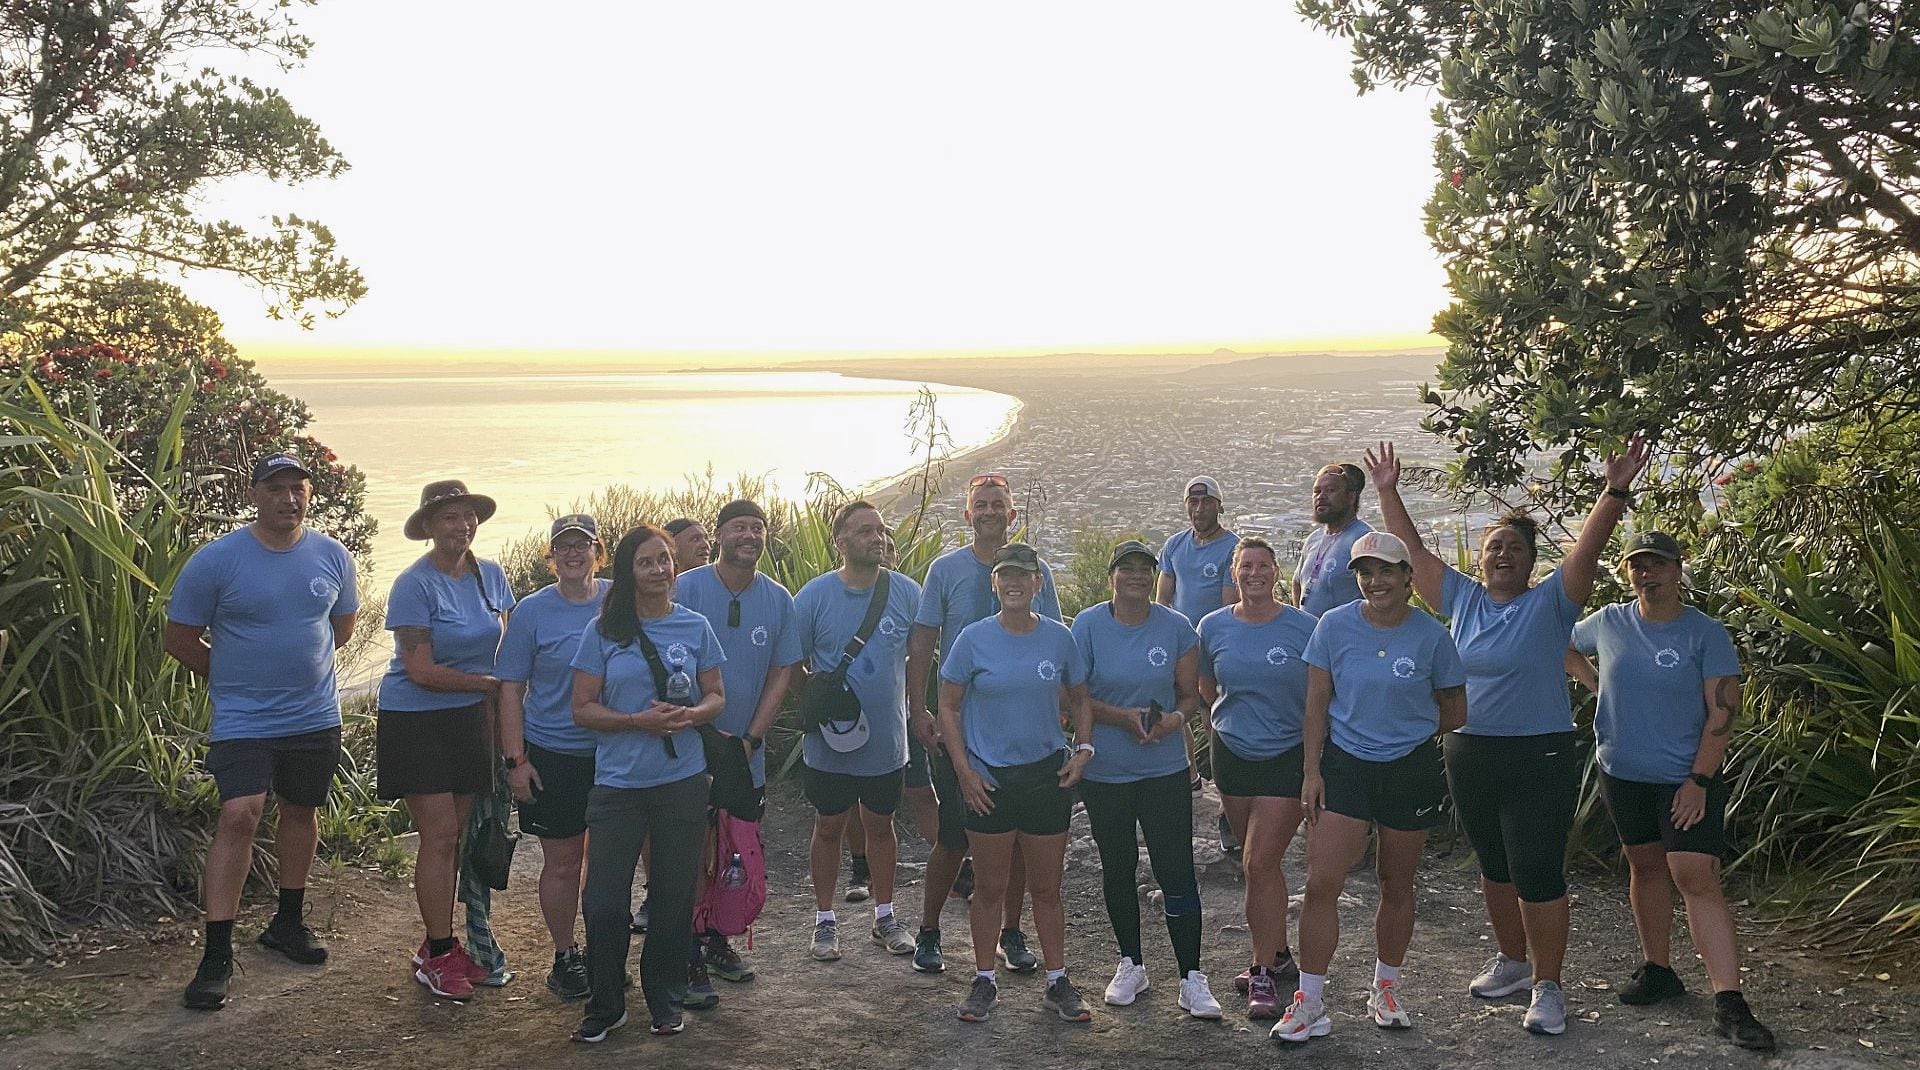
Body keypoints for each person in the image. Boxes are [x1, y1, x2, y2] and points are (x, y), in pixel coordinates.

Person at [1364, 438, 1648, 1035]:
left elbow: (1590, 549)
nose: (1500, 556)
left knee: (1537, 869)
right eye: (1493, 547)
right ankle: (1514, 962)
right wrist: (1388, 491)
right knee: (1494, 866)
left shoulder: (1552, 603)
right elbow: (1410, 553)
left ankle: (1549, 986)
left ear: (1530, 561)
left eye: (1513, 549)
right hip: (1468, 748)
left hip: (1536, 752)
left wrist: (1614, 490)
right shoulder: (1462, 599)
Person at [1566, 531, 1774, 1052]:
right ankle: (1659, 969)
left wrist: (1699, 782)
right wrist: (1598, 685)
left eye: (1657, 564)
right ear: (1626, 572)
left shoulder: (1705, 633)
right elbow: (1559, 641)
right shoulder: (1610, 622)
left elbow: (1723, 713)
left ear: (1678, 570)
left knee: (1695, 875)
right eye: (1637, 565)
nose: (1646, 574)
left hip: (1686, 777)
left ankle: (1729, 1000)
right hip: (1621, 772)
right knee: (1646, 867)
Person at [166, 454, 359, 1011]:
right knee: (240, 813)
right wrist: (233, 677)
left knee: (301, 811)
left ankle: (288, 923)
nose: (288, 499)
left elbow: (339, 629)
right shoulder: (218, 560)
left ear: (309, 494)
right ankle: (217, 953)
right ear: (255, 494)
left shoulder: (332, 555)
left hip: (314, 715)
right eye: (276, 489)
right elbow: (179, 638)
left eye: (298, 489)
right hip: (243, 717)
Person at [1275, 531, 1467, 1043]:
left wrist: (1407, 735)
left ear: (1408, 578)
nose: (1374, 581)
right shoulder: (1334, 627)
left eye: (1385, 571)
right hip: (1345, 767)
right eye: (1365, 572)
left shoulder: (1432, 636)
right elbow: (1316, 704)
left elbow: (1456, 709)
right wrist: (1311, 772)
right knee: (1321, 885)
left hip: (1409, 769)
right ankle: (1309, 1000)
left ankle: (1385, 987)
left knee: (1396, 883)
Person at [569, 524, 727, 1041]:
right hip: (619, 785)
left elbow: (716, 695)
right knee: (604, 900)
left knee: (672, 895)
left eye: (664, 559)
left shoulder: (695, 626)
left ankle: (664, 996)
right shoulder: (603, 632)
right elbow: (583, 708)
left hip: (681, 781)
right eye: (646, 562)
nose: (658, 569)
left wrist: (690, 717)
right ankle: (607, 1001)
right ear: (629, 572)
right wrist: (639, 722)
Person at [903, 472, 1059, 973]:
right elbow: (924, 642)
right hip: (960, 730)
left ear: (1012, 515)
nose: (990, 512)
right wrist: (917, 708)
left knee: (1012, 842)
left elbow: (1053, 636)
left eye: (999, 505)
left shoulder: (1037, 571)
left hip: (1018, 731)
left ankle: (1010, 933)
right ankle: (930, 930)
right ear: (967, 516)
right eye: (981, 505)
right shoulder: (945, 571)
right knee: (953, 836)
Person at [940, 543, 1096, 1024]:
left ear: (1038, 583)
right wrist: (964, 771)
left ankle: (1057, 982)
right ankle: (984, 979)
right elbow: (947, 705)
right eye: (1005, 575)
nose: (1014, 583)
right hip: (990, 779)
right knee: (990, 887)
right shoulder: (972, 639)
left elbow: (1081, 699)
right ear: (995, 583)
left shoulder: (1059, 638)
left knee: (1047, 889)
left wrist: (1084, 750)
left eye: (1023, 576)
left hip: (1045, 776)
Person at [377, 479, 517, 1001]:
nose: (461, 526)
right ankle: (439, 954)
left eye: (467, 516)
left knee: (456, 832)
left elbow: (504, 645)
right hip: (417, 721)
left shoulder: (492, 576)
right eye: (449, 517)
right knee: (437, 835)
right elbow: (420, 669)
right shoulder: (414, 584)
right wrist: (489, 686)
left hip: (471, 720)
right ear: (429, 528)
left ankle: (439, 942)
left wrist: (506, 707)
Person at [1072, 540, 1221, 1019]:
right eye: (1126, 568)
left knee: (1175, 868)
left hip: (1163, 770)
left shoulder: (1176, 628)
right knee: (1117, 866)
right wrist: (1121, 718)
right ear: (1112, 575)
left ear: (1155, 575)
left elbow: (1189, 697)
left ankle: (1191, 976)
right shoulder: (1088, 626)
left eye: (1145, 568)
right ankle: (1131, 963)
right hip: (1107, 773)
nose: (1136, 575)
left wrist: (1175, 722)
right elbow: (1073, 700)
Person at [674, 499, 802, 993]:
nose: (750, 535)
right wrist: (699, 731)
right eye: (740, 527)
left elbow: (782, 671)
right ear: (720, 534)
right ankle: (684, 950)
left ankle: (717, 939)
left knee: (735, 851)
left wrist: (752, 738)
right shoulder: (687, 588)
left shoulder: (777, 599)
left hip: (745, 751)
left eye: (758, 527)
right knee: (691, 848)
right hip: (689, 746)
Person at [792, 500, 924, 963]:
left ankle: (885, 917)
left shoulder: (907, 593)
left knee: (881, 826)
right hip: (829, 741)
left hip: (887, 740)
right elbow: (793, 663)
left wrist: (920, 710)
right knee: (828, 826)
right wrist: (816, 703)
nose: (877, 537)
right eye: (865, 531)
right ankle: (824, 921)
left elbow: (921, 659)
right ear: (841, 542)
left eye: (881, 529)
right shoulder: (812, 597)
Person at [1196, 536, 1319, 1020]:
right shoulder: (1212, 627)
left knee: (1258, 863)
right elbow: (1208, 688)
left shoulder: (1304, 628)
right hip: (1232, 756)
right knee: (1258, 865)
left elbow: (1318, 701)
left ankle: (1262, 972)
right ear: (1234, 572)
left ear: (1275, 571)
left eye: (1262, 565)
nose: (1253, 573)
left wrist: (1313, 767)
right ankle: (1280, 952)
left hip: (1284, 756)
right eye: (1245, 565)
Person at [495, 513, 611, 1001]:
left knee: (607, 863)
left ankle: (605, 953)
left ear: (597, 552)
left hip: (613, 750)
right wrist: (516, 761)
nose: (572, 554)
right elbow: (510, 687)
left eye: (581, 545)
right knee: (563, 863)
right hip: (554, 751)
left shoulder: (617, 599)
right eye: (562, 547)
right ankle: (565, 957)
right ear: (551, 557)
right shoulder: (531, 611)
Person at [1292, 463, 1372, 618]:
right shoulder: (1313, 539)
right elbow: (1297, 583)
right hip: (1311, 638)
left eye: (1330, 490)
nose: (1321, 496)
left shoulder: (1363, 539)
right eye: (1317, 491)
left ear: (1351, 496)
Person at [1157, 474, 1240, 623]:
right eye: (1193, 502)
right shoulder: (1174, 545)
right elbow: (1162, 600)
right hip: (1180, 638)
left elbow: (1229, 609)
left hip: (1215, 638)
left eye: (1207, 502)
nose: (1199, 509)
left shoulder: (1234, 549)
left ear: (1219, 507)